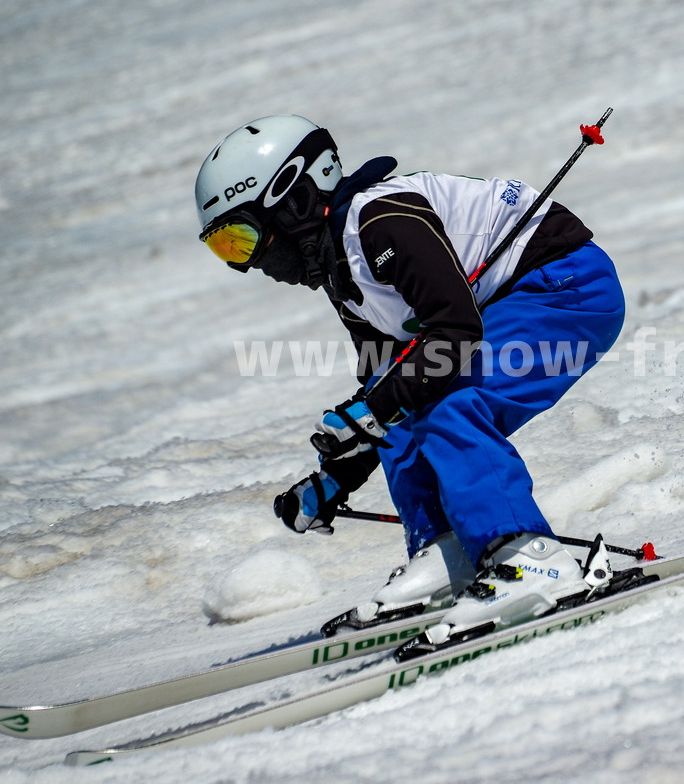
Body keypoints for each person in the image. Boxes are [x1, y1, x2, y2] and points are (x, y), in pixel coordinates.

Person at [193, 114, 625, 642]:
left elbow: (456, 331)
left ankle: (528, 557)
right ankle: (448, 554)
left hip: (566, 288)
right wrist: (336, 478)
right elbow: (386, 392)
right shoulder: (342, 276)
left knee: (450, 406)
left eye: (243, 238)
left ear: (295, 196)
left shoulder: (380, 221)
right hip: (518, 302)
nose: (249, 264)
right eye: (225, 250)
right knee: (401, 416)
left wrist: (376, 409)